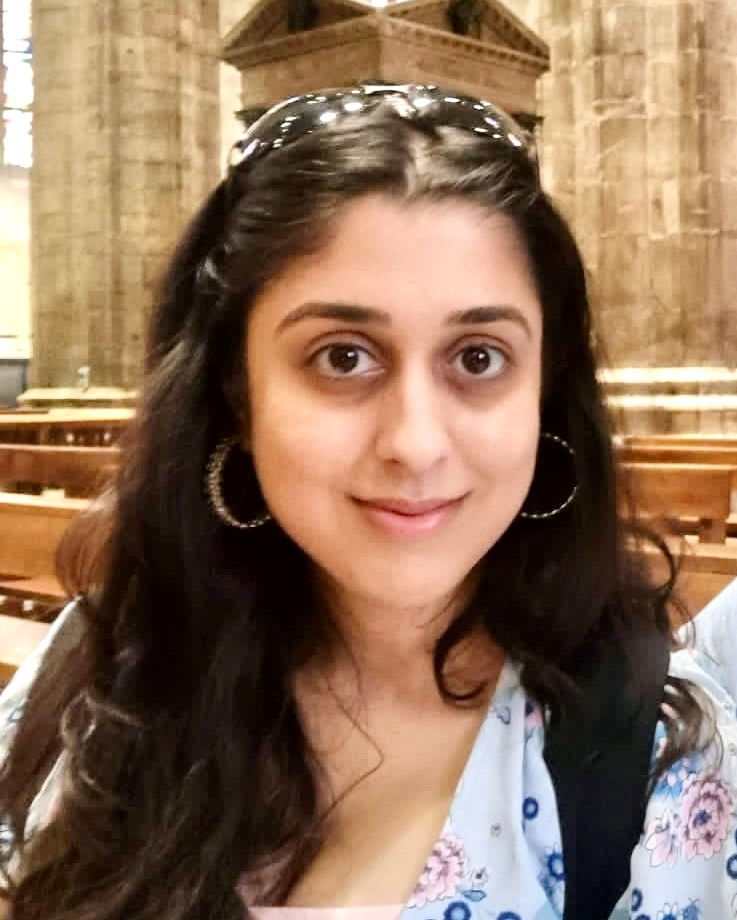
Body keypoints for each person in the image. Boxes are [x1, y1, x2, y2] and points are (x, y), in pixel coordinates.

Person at [0, 82, 736, 920]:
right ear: (237, 394)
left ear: (544, 392)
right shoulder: (104, 673)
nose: (415, 443)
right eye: (343, 357)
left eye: (478, 358)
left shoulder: (658, 762)